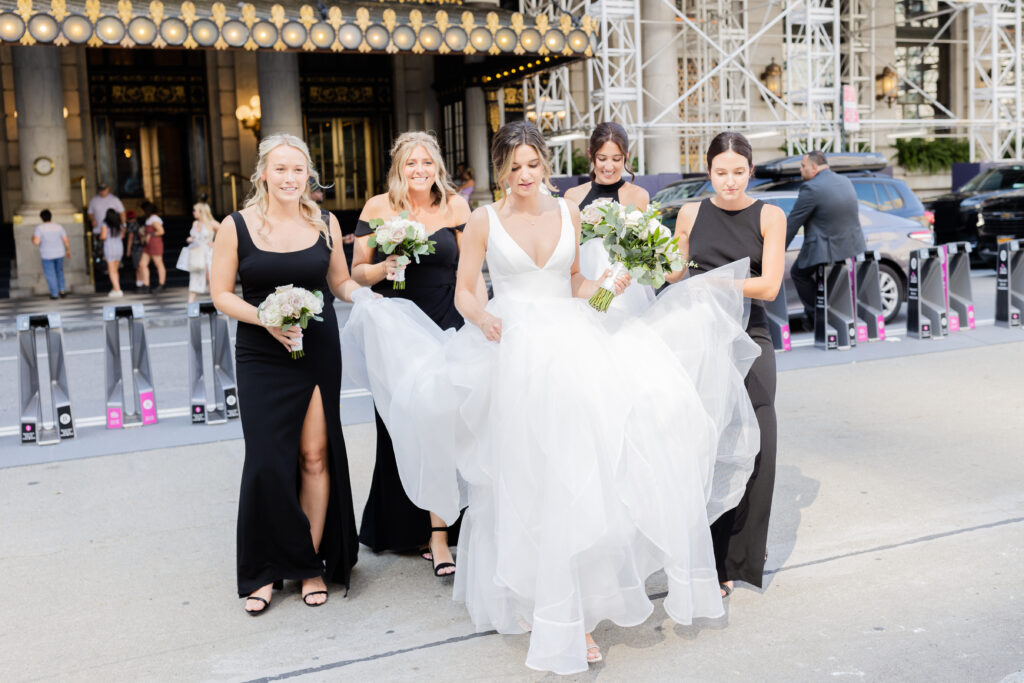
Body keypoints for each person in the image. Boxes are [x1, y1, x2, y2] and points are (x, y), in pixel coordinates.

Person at [342, 121, 761, 673]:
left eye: (532, 165)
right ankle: (545, 605)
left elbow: (573, 284)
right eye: (513, 168)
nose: (524, 176)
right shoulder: (483, 221)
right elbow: (466, 289)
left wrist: (609, 289)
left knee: (590, 470)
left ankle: (578, 611)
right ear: (500, 171)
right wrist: (482, 317)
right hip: (514, 349)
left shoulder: (569, 211)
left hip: (573, 344)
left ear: (545, 164)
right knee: (528, 479)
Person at [210, 132, 366, 616]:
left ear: (308, 175)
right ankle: (262, 568)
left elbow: (339, 282)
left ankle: (306, 563)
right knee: (266, 461)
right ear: (262, 174)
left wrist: (372, 289)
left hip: (316, 348)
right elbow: (222, 295)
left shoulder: (324, 222)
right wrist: (268, 319)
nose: (290, 178)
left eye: (298, 170)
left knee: (315, 457)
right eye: (280, 169)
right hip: (261, 350)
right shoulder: (235, 227)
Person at [350, 131, 478, 576]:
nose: (419, 170)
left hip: (446, 324)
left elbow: (470, 273)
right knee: (400, 427)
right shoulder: (377, 207)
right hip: (397, 332)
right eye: (411, 163)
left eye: (426, 162)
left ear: (437, 166)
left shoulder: (456, 206)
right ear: (398, 167)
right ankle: (405, 528)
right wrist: (382, 268)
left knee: (446, 424)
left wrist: (479, 319)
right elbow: (356, 273)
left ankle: (442, 534)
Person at [665, 131, 786, 599]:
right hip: (695, 337)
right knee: (705, 444)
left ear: (750, 170)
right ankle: (710, 562)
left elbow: (770, 285)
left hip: (750, 336)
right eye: (721, 172)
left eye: (739, 172)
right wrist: (641, 255)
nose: (730, 181)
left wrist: (714, 284)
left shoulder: (769, 215)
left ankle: (741, 555)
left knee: (761, 442)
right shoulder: (691, 212)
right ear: (708, 171)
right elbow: (675, 271)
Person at [564, 122, 654, 313]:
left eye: (616, 159)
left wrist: (617, 282)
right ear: (591, 155)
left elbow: (639, 252)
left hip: (624, 288)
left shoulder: (639, 196)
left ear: (626, 157)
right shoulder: (572, 196)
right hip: (583, 283)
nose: (609, 166)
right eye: (602, 158)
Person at [785, 150, 866, 327]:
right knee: (830, 279)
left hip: (826, 249)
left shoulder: (811, 188)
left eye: (802, 166)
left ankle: (817, 315)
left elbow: (792, 223)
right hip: (851, 246)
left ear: (814, 167)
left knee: (798, 274)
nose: (801, 170)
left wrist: (776, 249)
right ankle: (830, 312)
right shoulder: (845, 181)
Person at [32, 209, 70, 299]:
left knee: (50, 274)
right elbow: (66, 240)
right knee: (59, 272)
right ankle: (62, 290)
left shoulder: (40, 228)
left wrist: (32, 238)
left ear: (41, 218)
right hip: (59, 253)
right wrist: (68, 250)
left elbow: (36, 242)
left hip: (47, 254)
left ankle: (54, 294)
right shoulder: (58, 227)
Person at [185, 202, 217, 303]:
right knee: (195, 276)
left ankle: (215, 303)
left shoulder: (212, 223)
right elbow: (194, 237)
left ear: (201, 212)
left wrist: (216, 244)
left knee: (209, 278)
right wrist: (191, 239)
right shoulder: (195, 223)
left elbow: (225, 232)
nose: (193, 212)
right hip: (196, 253)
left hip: (207, 253)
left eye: (195, 210)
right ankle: (191, 304)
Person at [139, 201, 167, 293]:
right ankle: (146, 285)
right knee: (142, 264)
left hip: (155, 244)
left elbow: (161, 231)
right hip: (148, 246)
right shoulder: (149, 219)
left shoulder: (154, 219)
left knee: (158, 263)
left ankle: (161, 284)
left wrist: (150, 234)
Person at [100, 208, 125, 297]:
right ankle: (115, 288)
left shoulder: (105, 223)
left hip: (110, 246)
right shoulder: (120, 224)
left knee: (111, 270)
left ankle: (117, 289)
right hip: (119, 246)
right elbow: (122, 236)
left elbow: (103, 236)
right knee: (116, 270)